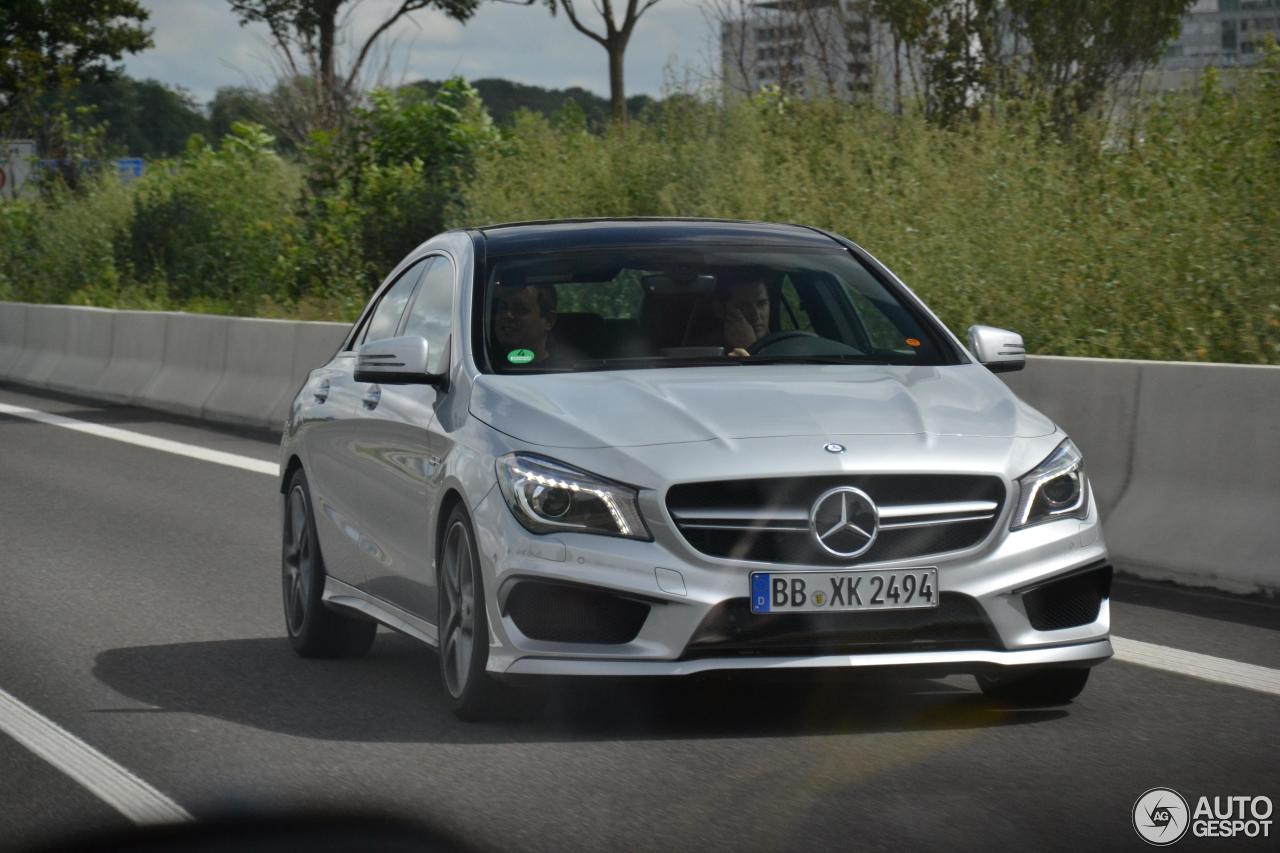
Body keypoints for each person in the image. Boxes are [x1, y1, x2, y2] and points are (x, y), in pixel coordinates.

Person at [493, 282, 558, 364]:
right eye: (503, 307)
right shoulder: (484, 361)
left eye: (520, 309)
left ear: (549, 321)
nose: (508, 315)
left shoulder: (563, 372)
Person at [710, 270, 771, 357]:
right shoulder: (707, 353)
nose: (756, 315)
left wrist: (750, 346)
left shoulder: (784, 345)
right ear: (719, 309)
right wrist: (751, 348)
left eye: (761, 303)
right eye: (744, 306)